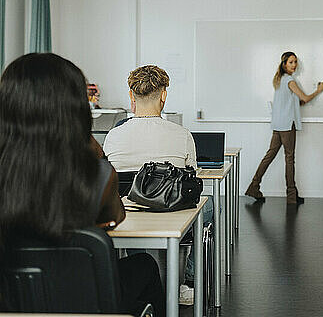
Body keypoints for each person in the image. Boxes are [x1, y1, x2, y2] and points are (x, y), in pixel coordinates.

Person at [0, 54, 165, 317]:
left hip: (13, 301)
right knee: (144, 265)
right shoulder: (97, 176)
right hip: (87, 299)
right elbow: (114, 217)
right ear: (75, 107)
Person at [103, 65, 212, 306]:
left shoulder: (113, 136)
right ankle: (189, 283)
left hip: (127, 214)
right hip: (173, 212)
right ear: (164, 95)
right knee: (213, 207)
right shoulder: (182, 134)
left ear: (132, 96)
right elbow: (193, 181)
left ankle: (141, 264)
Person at [245, 51, 323, 204]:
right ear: (284, 64)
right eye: (291, 62)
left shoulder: (280, 80)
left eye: (295, 62)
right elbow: (305, 98)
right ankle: (291, 196)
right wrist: (318, 90)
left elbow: (297, 102)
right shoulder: (290, 81)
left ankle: (254, 186)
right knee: (289, 159)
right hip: (287, 125)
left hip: (278, 124)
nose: (294, 65)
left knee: (270, 155)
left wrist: (301, 101)